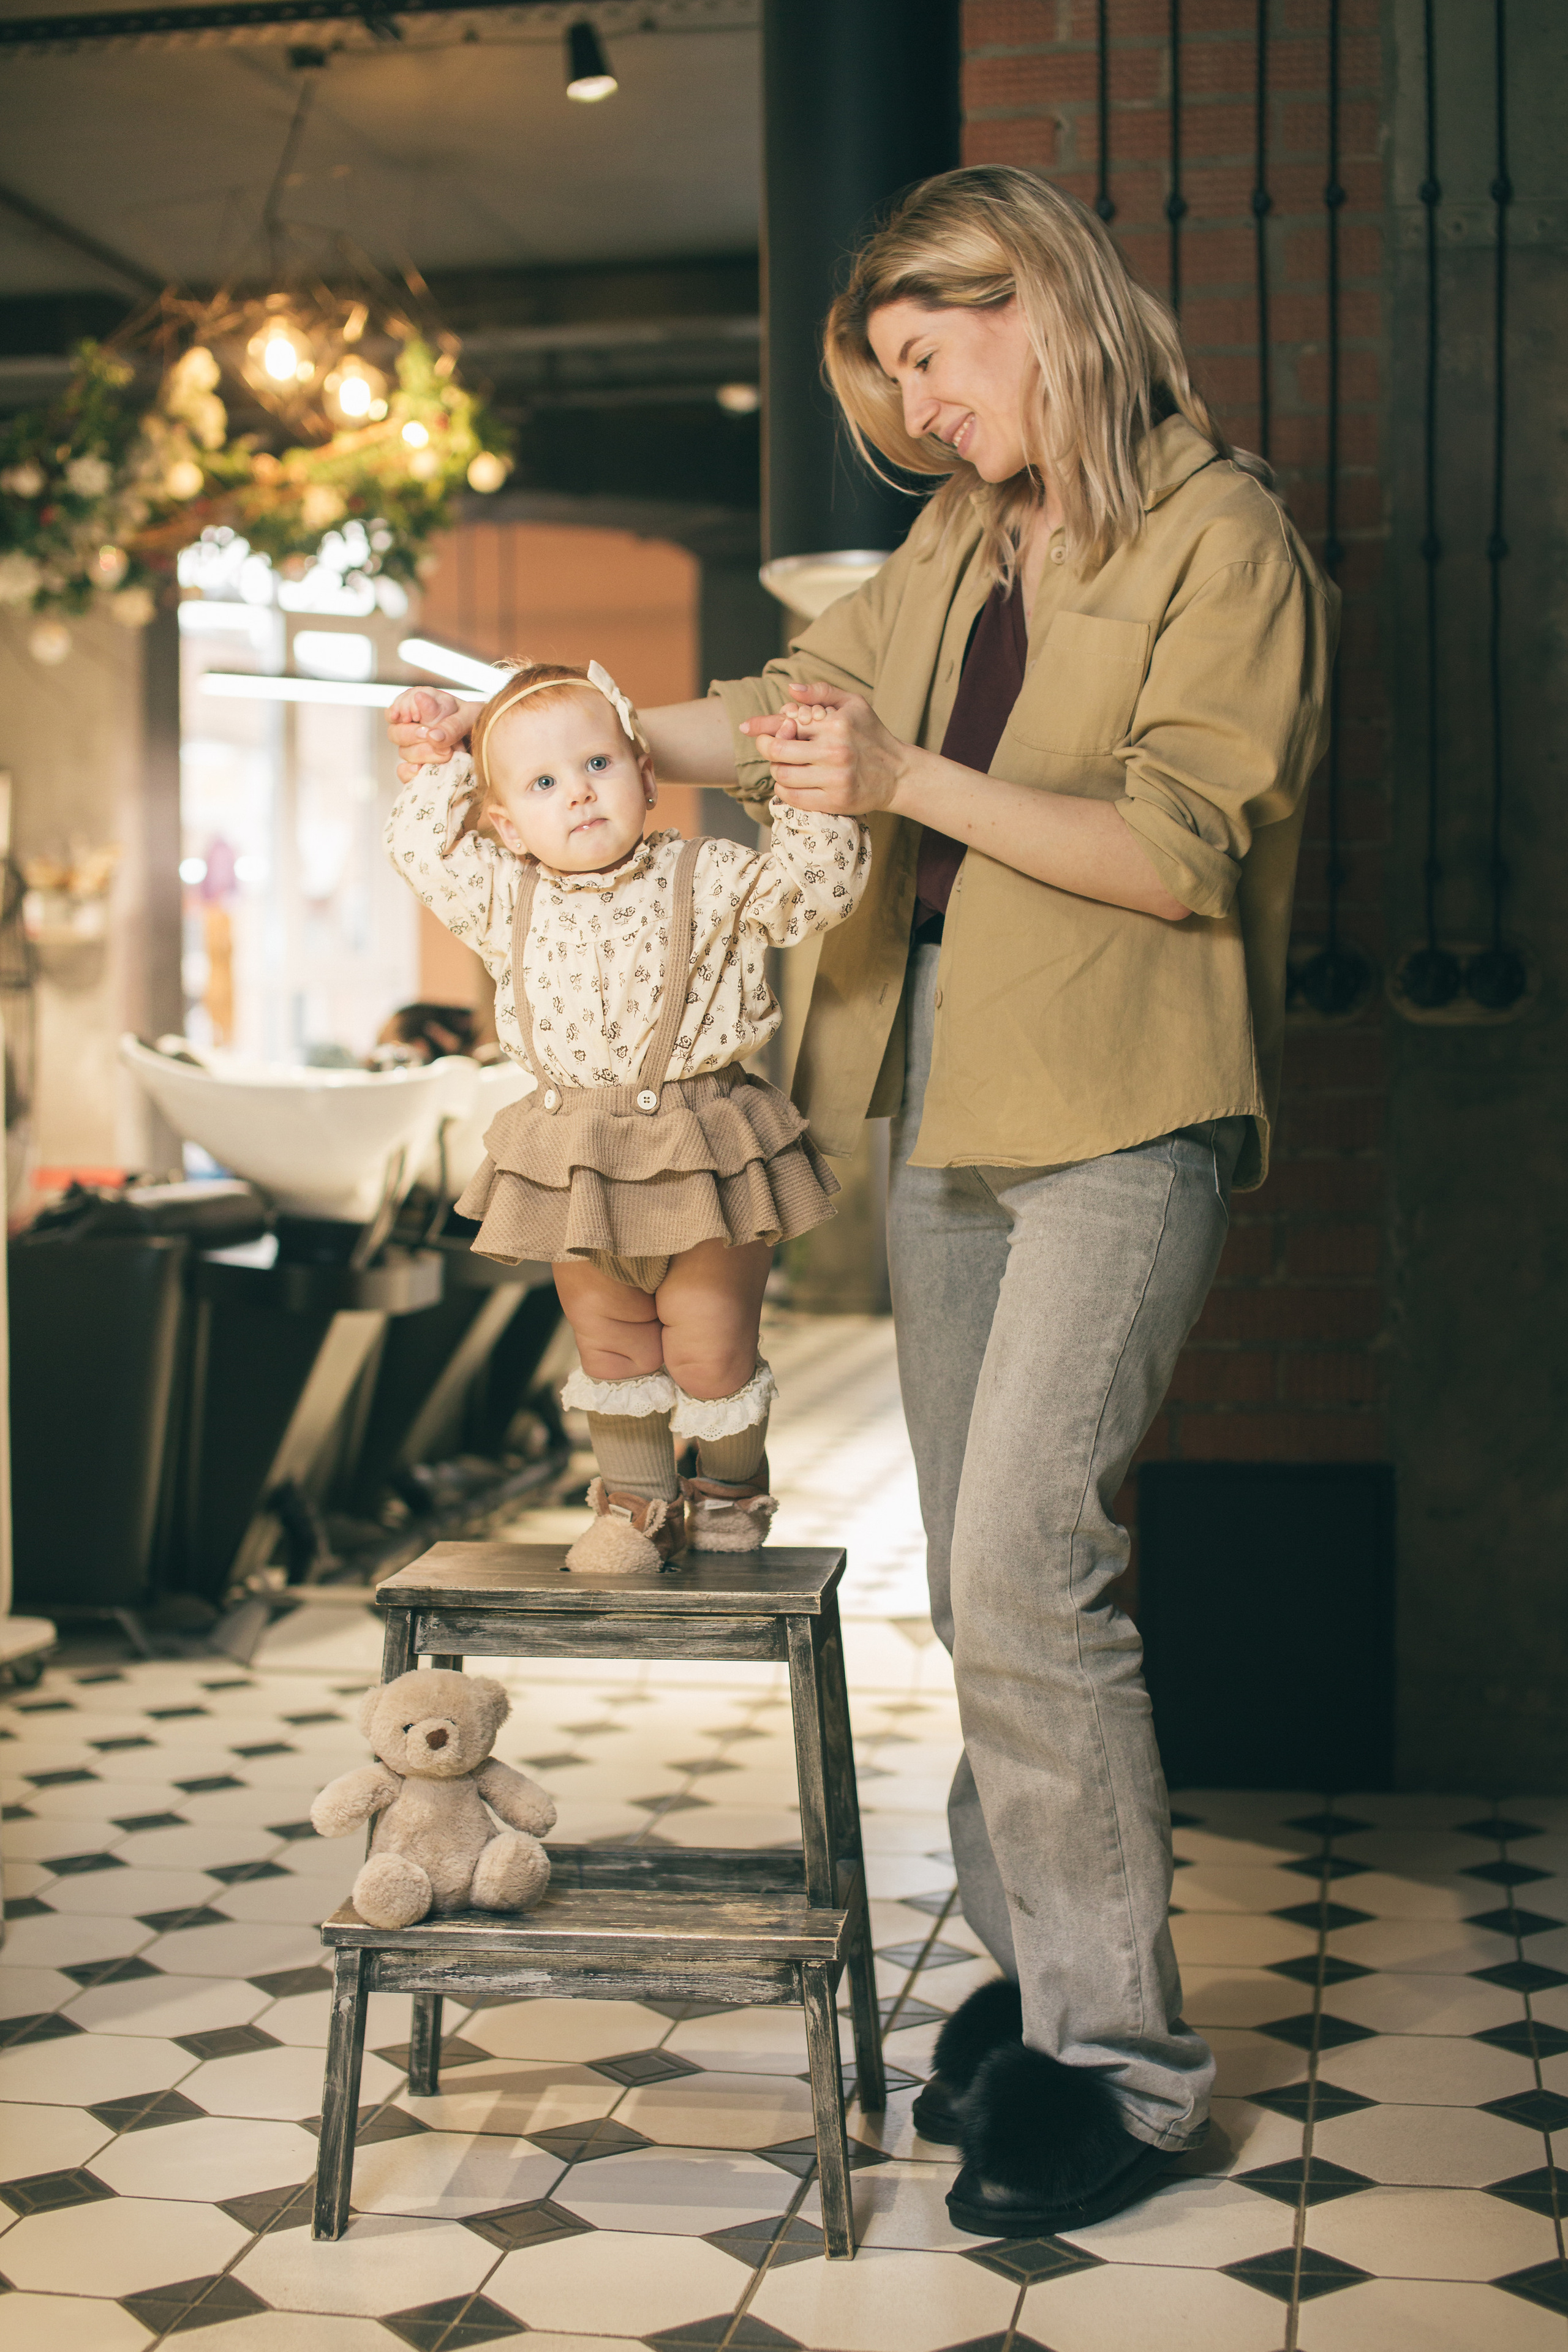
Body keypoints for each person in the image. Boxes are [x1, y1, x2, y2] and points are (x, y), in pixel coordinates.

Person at [386, 167, 1336, 2236]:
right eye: (889, 375)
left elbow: (1176, 850)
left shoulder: (1220, 536)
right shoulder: (954, 541)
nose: (916, 406)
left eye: (934, 356)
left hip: (1121, 1116)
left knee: (1024, 1572)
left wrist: (903, 785)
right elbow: (788, 719)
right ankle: (1037, 1983)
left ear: (1049, 306)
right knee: (975, 1586)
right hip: (943, 1118)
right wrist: (570, 742)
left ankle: (1130, 2072)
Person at [385, 656, 870, 1571]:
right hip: (575, 1149)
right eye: (541, 783)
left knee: (707, 1348)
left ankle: (728, 1492)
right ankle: (636, 1508)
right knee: (612, 1347)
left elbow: (818, 893)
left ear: (649, 777)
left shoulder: (709, 876)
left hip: (701, 1145)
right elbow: (420, 850)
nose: (577, 793)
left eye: (598, 765)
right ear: (506, 825)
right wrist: (442, 757)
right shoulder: (504, 895)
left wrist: (813, 791)